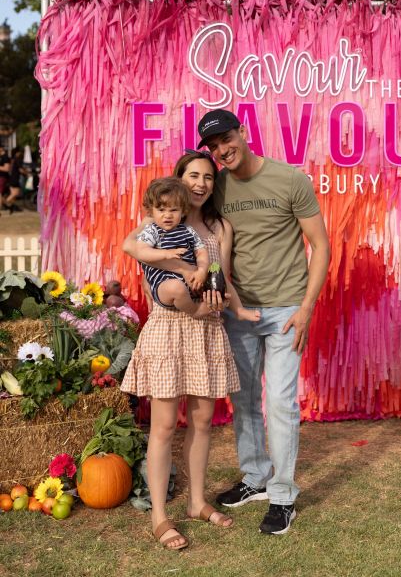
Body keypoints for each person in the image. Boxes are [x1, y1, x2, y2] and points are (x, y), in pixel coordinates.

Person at [197, 109, 331, 536]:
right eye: (213, 147)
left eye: (225, 139)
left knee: (280, 403)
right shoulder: (215, 188)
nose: (221, 150)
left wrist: (306, 308)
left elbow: (321, 247)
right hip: (240, 311)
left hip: (286, 311)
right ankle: (255, 477)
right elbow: (192, 226)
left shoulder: (290, 180)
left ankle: (283, 496)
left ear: (244, 132)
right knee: (244, 400)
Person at [121, 151, 259, 550]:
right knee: (164, 425)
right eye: (193, 175)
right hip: (168, 328)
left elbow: (222, 277)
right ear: (180, 180)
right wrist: (181, 270)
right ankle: (160, 516)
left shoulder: (217, 229)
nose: (201, 183)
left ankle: (198, 502)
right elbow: (134, 250)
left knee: (202, 422)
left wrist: (232, 306)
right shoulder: (155, 222)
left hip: (207, 328)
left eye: (208, 178)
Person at [136, 176, 211, 319]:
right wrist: (165, 253)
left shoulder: (188, 230)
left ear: (183, 211)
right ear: (151, 211)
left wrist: (201, 271)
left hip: (190, 282)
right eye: (161, 209)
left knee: (216, 283)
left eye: (174, 210)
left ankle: (219, 306)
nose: (167, 215)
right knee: (176, 287)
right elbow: (141, 252)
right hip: (164, 286)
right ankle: (195, 311)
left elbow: (201, 252)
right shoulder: (152, 231)